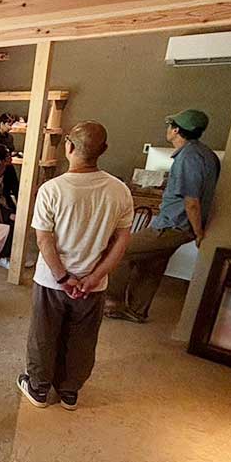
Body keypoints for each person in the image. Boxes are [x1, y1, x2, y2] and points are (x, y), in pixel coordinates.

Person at [17, 121, 133, 410]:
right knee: (82, 338)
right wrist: (94, 277)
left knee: (44, 335)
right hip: (94, 283)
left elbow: (44, 239)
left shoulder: (52, 189)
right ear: (104, 150)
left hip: (52, 280)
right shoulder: (119, 190)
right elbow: (121, 241)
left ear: (68, 147)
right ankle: (69, 391)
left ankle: (39, 389)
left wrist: (62, 277)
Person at [105, 109, 220, 323]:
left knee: (119, 250)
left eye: (170, 126)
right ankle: (137, 310)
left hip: (172, 226)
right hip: (176, 225)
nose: (168, 129)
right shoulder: (206, 154)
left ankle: (112, 302)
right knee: (151, 264)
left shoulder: (188, 157)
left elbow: (192, 201)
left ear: (176, 130)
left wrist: (198, 233)